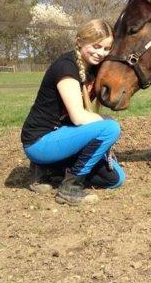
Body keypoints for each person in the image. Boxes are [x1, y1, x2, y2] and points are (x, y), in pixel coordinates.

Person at [21, 19, 126, 206]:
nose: (100, 53)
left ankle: (52, 169)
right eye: (96, 46)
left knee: (115, 179)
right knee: (110, 128)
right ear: (79, 42)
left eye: (106, 48)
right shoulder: (66, 67)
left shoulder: (93, 69)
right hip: (40, 140)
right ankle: (69, 186)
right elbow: (78, 117)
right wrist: (105, 121)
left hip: (65, 136)